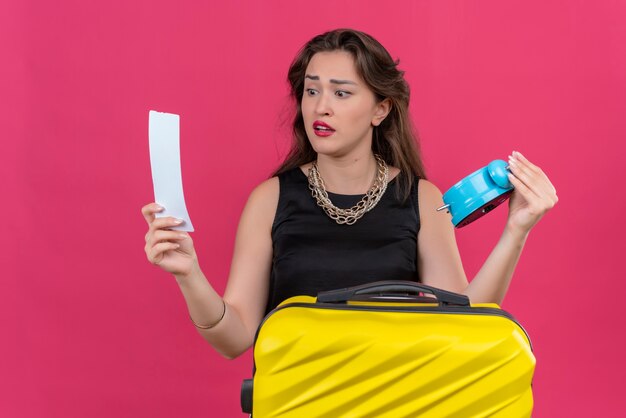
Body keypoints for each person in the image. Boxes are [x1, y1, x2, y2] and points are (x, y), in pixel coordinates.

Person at [141, 29, 558, 360]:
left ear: (381, 109)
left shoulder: (420, 198)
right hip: (294, 402)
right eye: (311, 90)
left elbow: (459, 320)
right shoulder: (269, 199)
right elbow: (234, 340)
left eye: (341, 93)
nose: (320, 107)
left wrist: (516, 231)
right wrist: (188, 274)